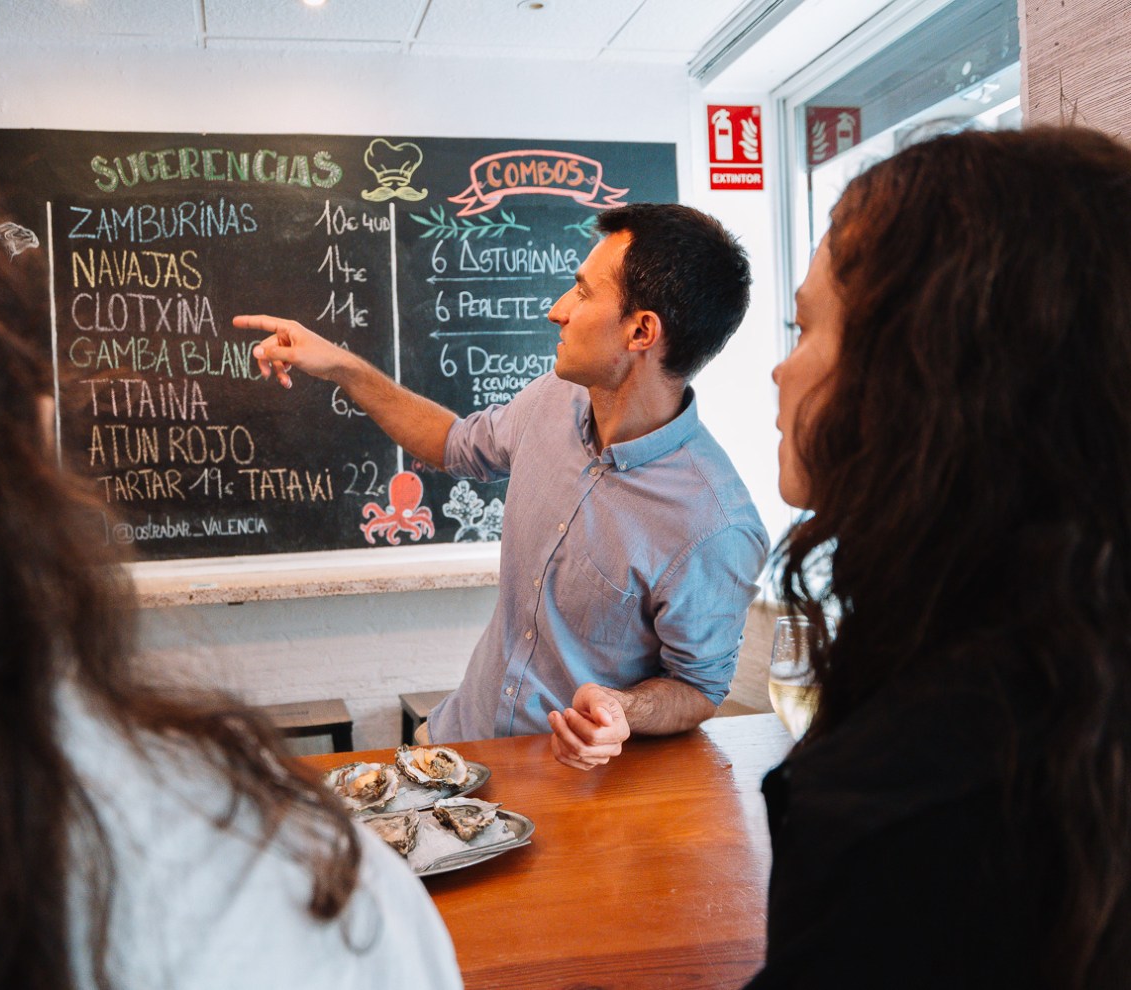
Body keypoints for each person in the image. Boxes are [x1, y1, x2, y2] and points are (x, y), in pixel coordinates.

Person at [0, 82, 460, 989]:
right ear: (28, 432)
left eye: (578, 291)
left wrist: (343, 366)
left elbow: (457, 445)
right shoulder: (289, 889)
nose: (555, 310)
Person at [749, 124, 1131, 987]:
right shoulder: (1072, 660)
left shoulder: (913, 795)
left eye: (805, 328)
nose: (781, 370)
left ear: (930, 373)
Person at [238, 204, 767, 770]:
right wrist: (342, 367)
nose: (557, 310)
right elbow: (454, 443)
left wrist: (625, 707)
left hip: (561, 787)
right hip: (452, 746)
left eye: (583, 293)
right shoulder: (551, 400)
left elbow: (698, 688)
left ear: (641, 331)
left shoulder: (713, 525)